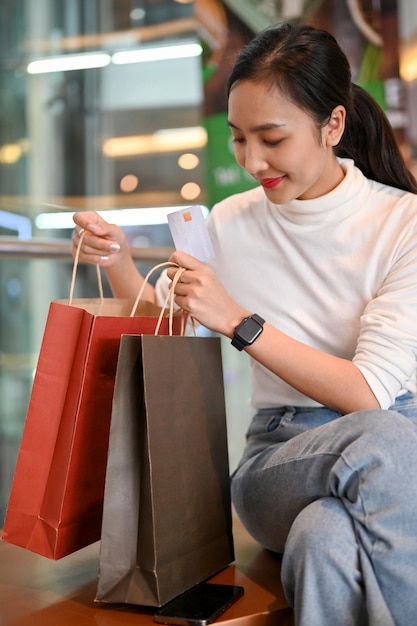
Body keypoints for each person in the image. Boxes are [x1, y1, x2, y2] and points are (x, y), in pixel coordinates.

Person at [72, 23, 417, 626]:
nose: (252, 160)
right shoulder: (230, 221)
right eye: (238, 139)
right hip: (280, 459)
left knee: (324, 536)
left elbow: (367, 394)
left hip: (394, 453)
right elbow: (165, 316)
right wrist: (120, 262)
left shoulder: (402, 223)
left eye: (272, 139)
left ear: (332, 125)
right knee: (385, 439)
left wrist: (238, 320)